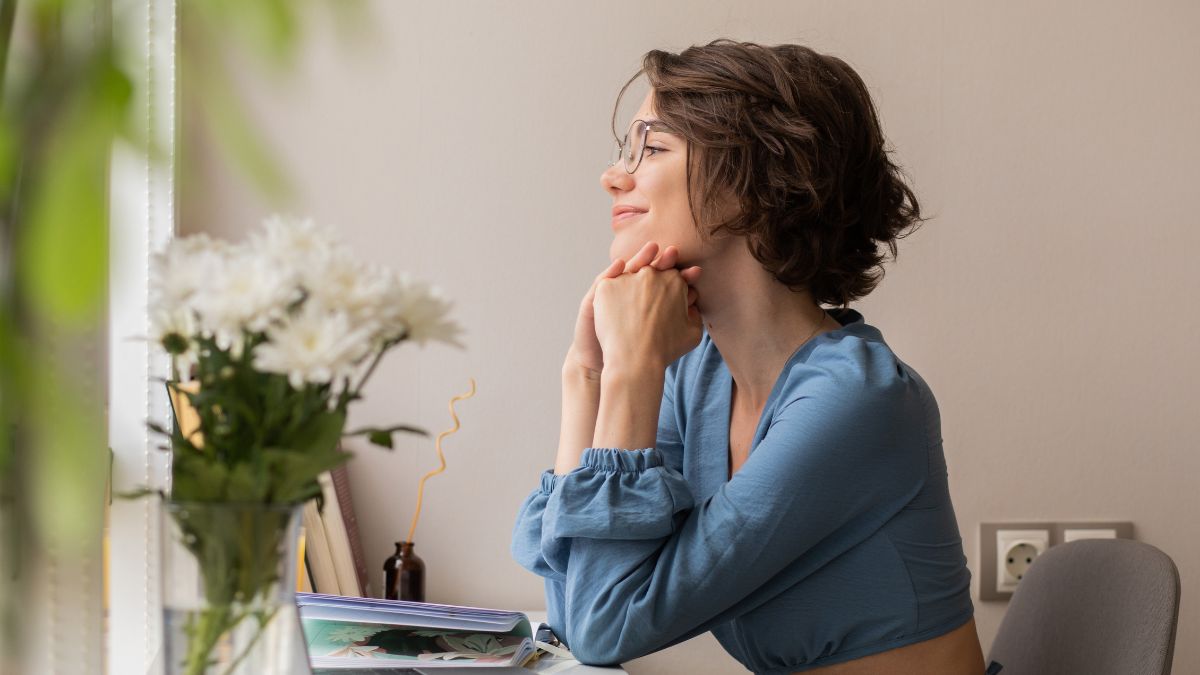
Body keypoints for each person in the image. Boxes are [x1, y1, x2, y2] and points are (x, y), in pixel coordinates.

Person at [511, 39, 985, 674]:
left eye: (651, 148)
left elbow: (604, 628)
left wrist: (628, 372)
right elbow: (576, 610)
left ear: (753, 181)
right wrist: (586, 375)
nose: (613, 175)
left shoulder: (858, 403)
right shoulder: (698, 378)